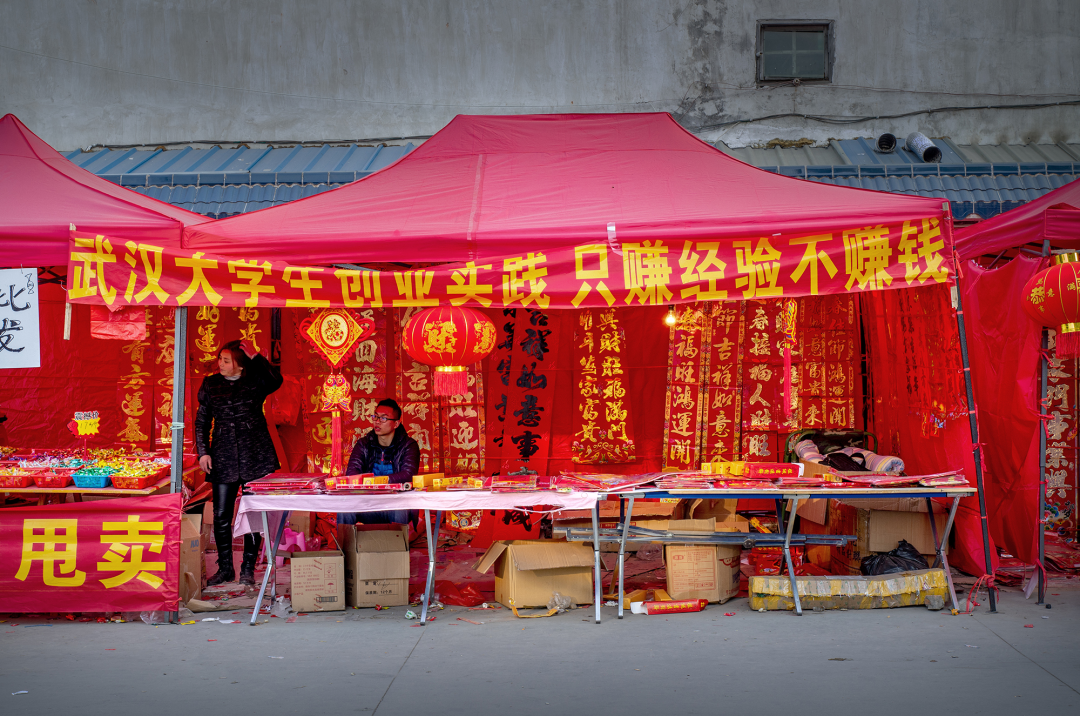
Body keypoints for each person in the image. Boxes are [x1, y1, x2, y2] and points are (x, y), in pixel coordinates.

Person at [195, 339, 284, 586]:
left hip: (255, 454)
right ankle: (225, 568)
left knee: (253, 512)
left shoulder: (255, 381)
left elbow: (276, 380)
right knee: (221, 514)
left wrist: (256, 357)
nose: (220, 364)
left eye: (226, 360)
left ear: (240, 365)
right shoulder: (211, 384)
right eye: (220, 359)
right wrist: (203, 452)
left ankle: (248, 567)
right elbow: (202, 421)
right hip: (222, 455)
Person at [338, 398, 420, 526]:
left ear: (396, 424)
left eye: (383, 418)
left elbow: (408, 474)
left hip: (395, 503)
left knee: (400, 508)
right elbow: (352, 472)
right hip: (367, 503)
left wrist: (378, 481)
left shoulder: (408, 445)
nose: (377, 421)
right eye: (375, 417)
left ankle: (398, 540)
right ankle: (345, 540)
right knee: (344, 507)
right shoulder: (363, 444)